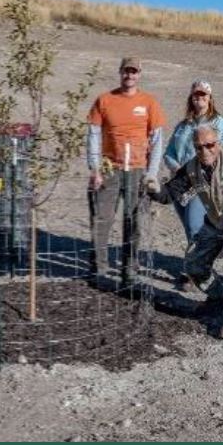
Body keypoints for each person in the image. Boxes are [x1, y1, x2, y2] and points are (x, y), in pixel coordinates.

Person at [151, 125, 223, 339]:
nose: (205, 151)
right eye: (199, 147)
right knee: (193, 265)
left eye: (209, 145)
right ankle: (219, 296)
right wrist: (154, 187)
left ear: (218, 143)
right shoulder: (192, 168)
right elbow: (169, 194)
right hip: (214, 225)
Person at [87, 57, 168, 284]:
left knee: (134, 222)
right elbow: (93, 135)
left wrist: (151, 174)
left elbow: (158, 140)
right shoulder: (104, 100)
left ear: (139, 74)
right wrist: (95, 169)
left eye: (134, 72)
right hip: (109, 169)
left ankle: (129, 272)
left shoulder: (149, 103)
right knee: (101, 219)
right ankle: (98, 270)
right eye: (126, 71)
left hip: (137, 170)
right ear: (120, 72)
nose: (129, 76)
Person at [152, 80, 223, 245]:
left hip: (203, 183)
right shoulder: (183, 126)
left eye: (203, 94)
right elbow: (169, 153)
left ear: (210, 98)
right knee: (189, 229)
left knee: (194, 225)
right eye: (196, 94)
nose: (199, 97)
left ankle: (200, 266)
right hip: (179, 183)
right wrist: (177, 168)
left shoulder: (219, 123)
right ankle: (196, 263)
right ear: (191, 98)